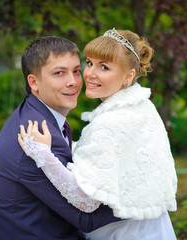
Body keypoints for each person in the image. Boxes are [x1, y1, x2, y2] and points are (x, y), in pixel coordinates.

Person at [18, 28, 178, 239]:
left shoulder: (110, 123)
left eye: (104, 67)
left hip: (123, 234)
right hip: (155, 229)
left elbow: (86, 201)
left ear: (128, 76)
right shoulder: (143, 107)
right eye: (90, 63)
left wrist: (43, 156)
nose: (90, 73)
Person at [0, 36, 119, 240]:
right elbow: (86, 219)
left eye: (76, 71)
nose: (72, 82)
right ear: (34, 82)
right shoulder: (34, 138)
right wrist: (142, 198)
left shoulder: (37, 117)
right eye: (59, 73)